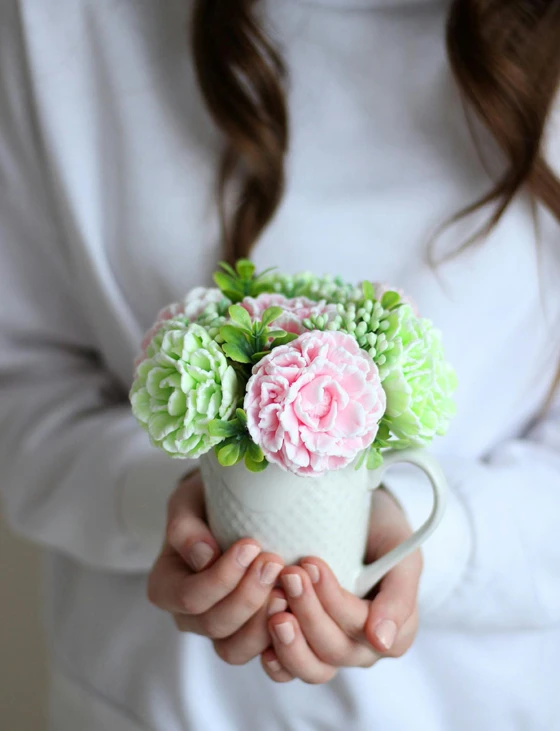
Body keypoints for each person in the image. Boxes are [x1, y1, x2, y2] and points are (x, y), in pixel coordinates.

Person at [1, 0, 559, 729]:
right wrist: (165, 502)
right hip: (151, 704)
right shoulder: (63, 20)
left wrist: (438, 539)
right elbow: (21, 379)